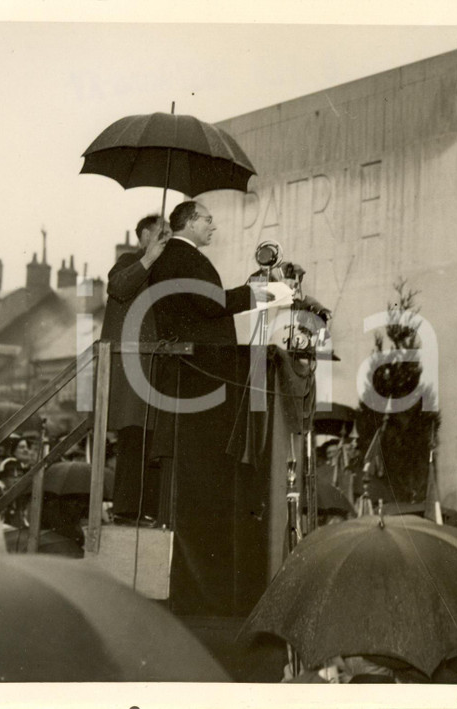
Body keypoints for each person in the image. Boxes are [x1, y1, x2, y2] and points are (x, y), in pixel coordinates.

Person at [147, 200, 278, 615]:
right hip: (198, 378)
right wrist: (259, 292)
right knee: (203, 487)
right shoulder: (178, 257)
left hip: (203, 376)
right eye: (208, 219)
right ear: (186, 222)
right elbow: (208, 304)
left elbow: (207, 304)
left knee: (205, 486)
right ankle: (206, 593)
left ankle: (209, 590)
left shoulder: (184, 258)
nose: (214, 226)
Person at [101, 213, 170, 525]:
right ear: (144, 236)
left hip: (155, 370)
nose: (166, 240)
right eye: (160, 234)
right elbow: (118, 287)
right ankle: (127, 510)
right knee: (133, 437)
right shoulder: (129, 261)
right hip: (133, 370)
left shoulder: (164, 271)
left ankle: (149, 509)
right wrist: (150, 256)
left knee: (155, 442)